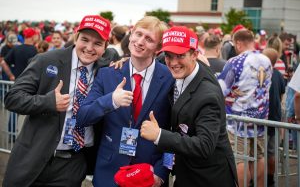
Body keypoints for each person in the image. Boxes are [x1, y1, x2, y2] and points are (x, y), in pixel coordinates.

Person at [3, 14, 112, 187]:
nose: (89, 48)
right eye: (85, 39)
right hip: (33, 157)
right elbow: (12, 98)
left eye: (98, 43)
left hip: (73, 163)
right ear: (76, 37)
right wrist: (48, 102)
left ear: (106, 46)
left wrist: (125, 61)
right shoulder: (46, 60)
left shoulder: (107, 71)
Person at [77, 16, 174, 187]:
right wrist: (111, 101)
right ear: (130, 35)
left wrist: (161, 172)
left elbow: (174, 133)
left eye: (149, 39)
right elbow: (83, 116)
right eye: (138, 34)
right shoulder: (107, 74)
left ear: (158, 48)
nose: (140, 42)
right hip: (110, 174)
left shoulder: (169, 78)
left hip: (149, 175)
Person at [140, 26, 238, 187]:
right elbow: (147, 62)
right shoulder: (185, 70)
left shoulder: (208, 95)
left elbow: (204, 146)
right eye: (169, 56)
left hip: (207, 178)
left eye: (180, 56)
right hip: (185, 172)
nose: (173, 62)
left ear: (194, 54)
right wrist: (123, 61)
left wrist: (159, 135)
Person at [218, 29, 272, 187]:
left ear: (239, 43)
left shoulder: (235, 61)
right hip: (261, 119)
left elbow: (221, 89)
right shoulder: (266, 60)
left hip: (238, 121)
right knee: (259, 156)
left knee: (239, 159)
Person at [262, 48, 286, 186]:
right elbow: (281, 94)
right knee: (271, 152)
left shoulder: (260, 73)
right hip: (274, 118)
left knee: (259, 153)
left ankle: (257, 179)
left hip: (262, 119)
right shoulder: (278, 74)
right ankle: (270, 180)